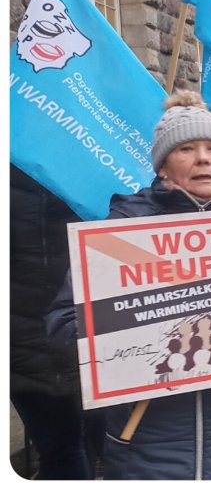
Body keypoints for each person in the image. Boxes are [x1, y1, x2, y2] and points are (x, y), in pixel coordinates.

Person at [46, 94, 211, 479]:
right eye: (186, 149)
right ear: (163, 167)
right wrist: (133, 350)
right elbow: (63, 324)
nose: (204, 159)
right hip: (149, 443)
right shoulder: (118, 232)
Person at [12, 168, 98, 478]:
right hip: (28, 346)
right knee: (64, 451)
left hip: (90, 339)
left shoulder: (88, 175)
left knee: (84, 444)